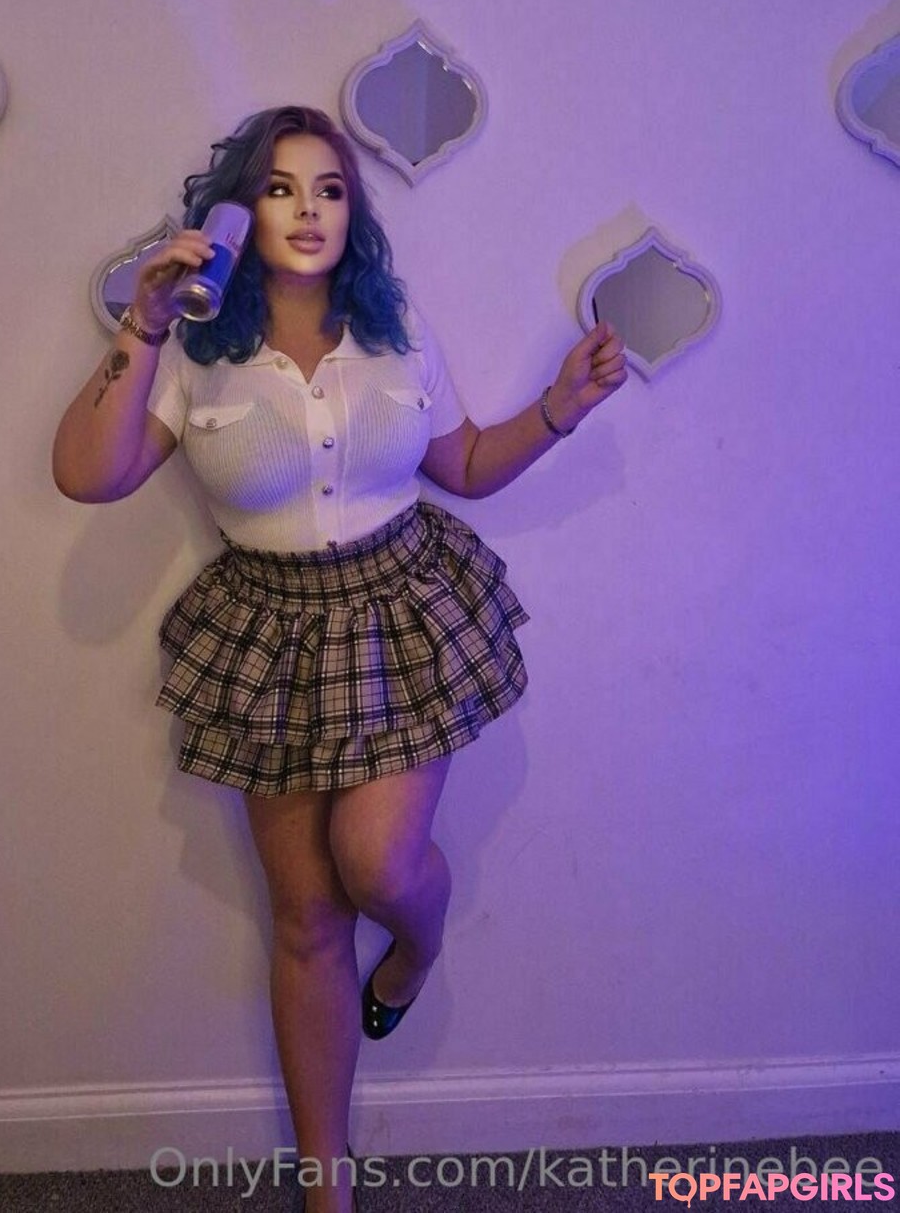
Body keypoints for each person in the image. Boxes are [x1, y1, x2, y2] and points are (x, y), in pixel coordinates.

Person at [53, 105, 626, 1212]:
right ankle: (329, 1182)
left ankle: (417, 946)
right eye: (279, 188)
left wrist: (560, 408)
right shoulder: (195, 351)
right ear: (239, 208)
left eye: (329, 188)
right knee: (308, 916)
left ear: (352, 211)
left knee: (379, 864)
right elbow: (89, 475)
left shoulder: (395, 327)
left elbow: (464, 464)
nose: (308, 210)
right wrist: (143, 325)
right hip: (271, 634)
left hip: (401, 617)